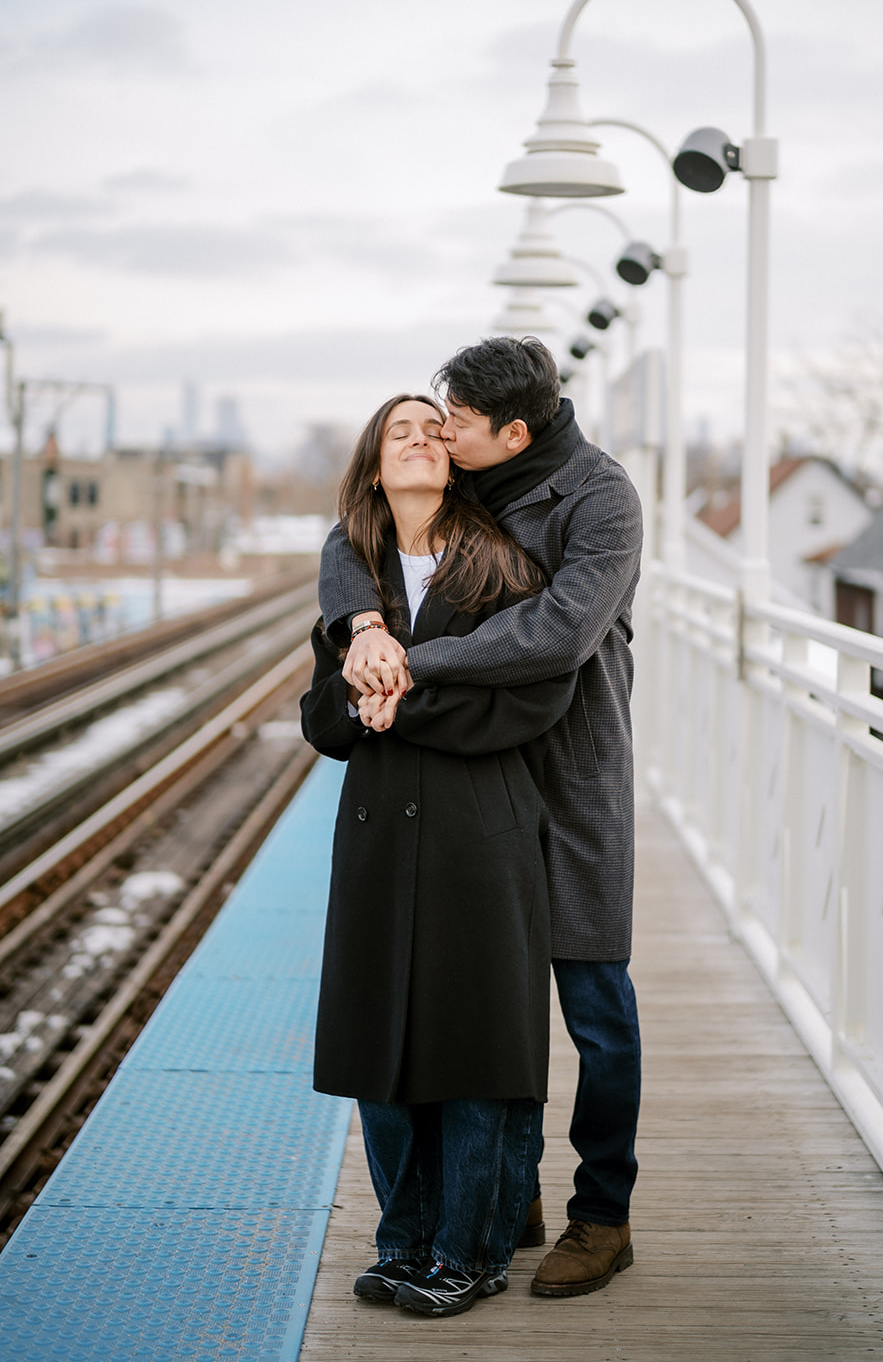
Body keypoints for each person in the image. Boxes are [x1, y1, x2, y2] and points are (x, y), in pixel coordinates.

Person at [318, 336, 644, 1299]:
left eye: (455, 420)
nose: (440, 430)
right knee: (484, 1000)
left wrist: (407, 666)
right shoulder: (466, 472)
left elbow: (560, 632)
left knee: (593, 1003)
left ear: (514, 432)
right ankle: (507, 1195)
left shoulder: (601, 497)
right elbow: (356, 532)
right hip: (461, 780)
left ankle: (602, 1214)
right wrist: (362, 624)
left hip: (569, 769)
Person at [301, 393, 575, 1318]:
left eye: (432, 430)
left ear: (455, 459)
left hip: (480, 834)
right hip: (378, 836)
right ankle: (404, 1242)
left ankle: (473, 1250)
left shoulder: (506, 567)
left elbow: (534, 700)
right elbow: (318, 720)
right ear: (375, 465)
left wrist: (400, 700)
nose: (417, 440)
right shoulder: (355, 585)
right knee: (382, 1050)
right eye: (396, 432)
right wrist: (353, 696)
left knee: (475, 1052)